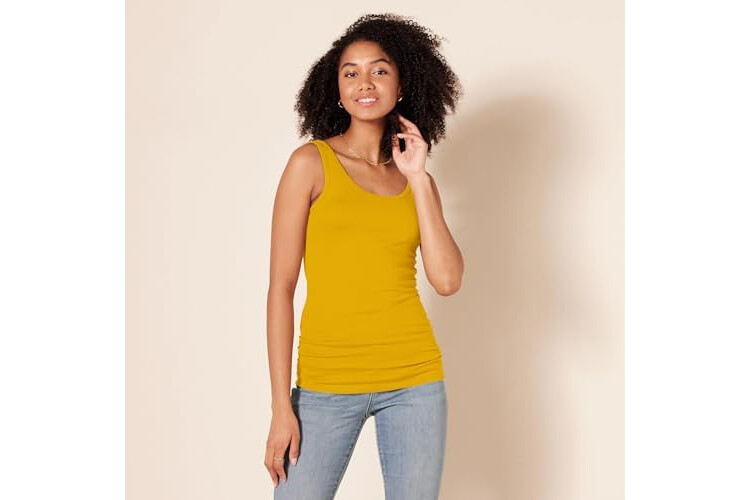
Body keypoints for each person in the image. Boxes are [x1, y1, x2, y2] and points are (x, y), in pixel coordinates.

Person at [264, 13, 465, 499]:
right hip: (327, 382)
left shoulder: (417, 181)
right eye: (350, 73)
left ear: (401, 85)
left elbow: (447, 280)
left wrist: (418, 178)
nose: (364, 83)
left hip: (414, 380)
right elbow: (281, 289)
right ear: (337, 90)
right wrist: (280, 406)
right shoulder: (311, 164)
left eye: (379, 70)